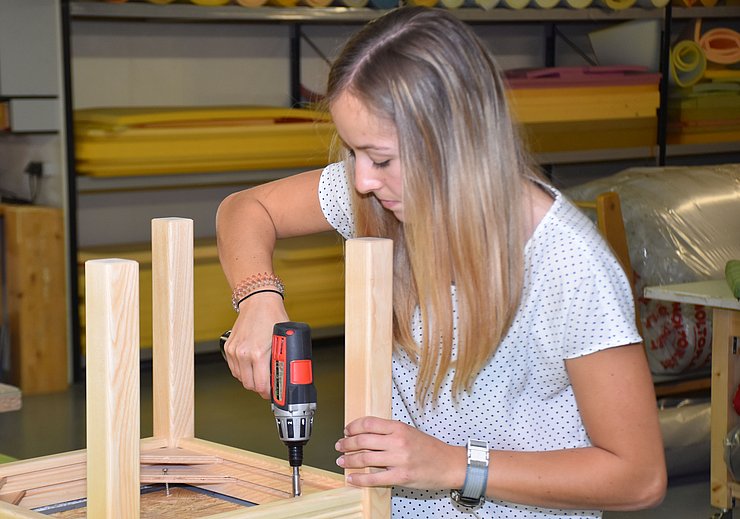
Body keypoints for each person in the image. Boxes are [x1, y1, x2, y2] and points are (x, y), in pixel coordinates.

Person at [216, 6, 666, 518]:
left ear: (455, 143)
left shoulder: (566, 263)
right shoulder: (377, 195)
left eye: (380, 159)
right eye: (354, 153)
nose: (360, 179)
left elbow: (638, 476)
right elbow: (245, 209)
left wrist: (453, 465)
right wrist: (258, 296)